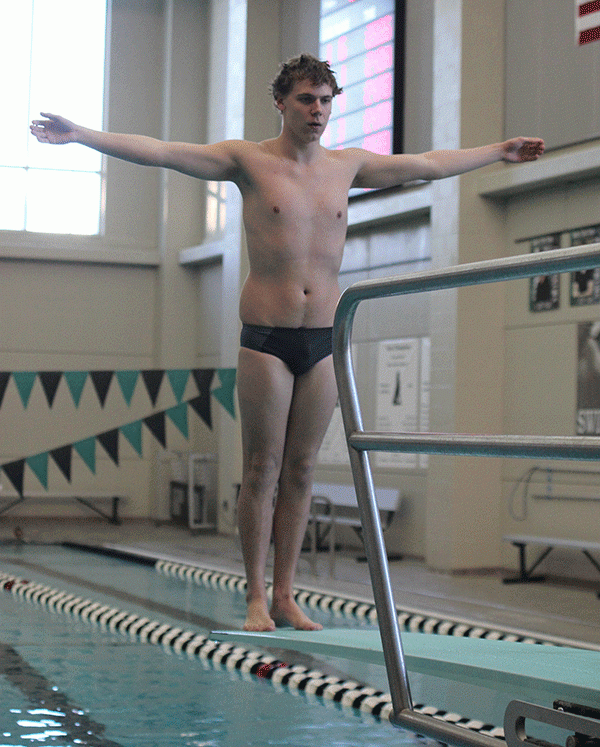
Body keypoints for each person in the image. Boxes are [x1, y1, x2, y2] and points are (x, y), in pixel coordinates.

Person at [30, 53, 545, 632]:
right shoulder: (246, 160)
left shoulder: (347, 166)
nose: (318, 111)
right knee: (263, 467)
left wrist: (497, 152)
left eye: (326, 100)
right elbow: (163, 151)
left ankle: (286, 595)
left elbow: (425, 163)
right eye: (306, 99)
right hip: (267, 339)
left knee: (302, 470)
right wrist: (81, 136)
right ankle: (254, 594)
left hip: (325, 338)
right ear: (281, 102)